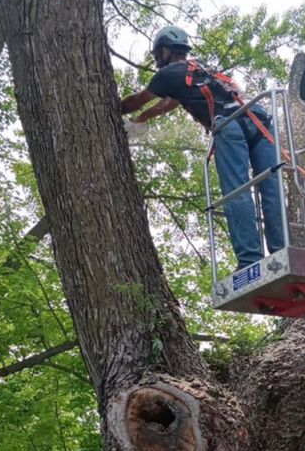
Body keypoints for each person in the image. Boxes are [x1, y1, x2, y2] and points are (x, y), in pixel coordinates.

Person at [120, 25, 286, 270]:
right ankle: (282, 252)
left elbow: (136, 100)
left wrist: (111, 108)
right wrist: (145, 117)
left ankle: (250, 260)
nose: (157, 61)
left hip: (229, 125)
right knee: (271, 187)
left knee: (237, 191)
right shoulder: (200, 69)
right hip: (259, 118)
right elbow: (171, 102)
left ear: (166, 50)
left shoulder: (168, 74)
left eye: (157, 55)